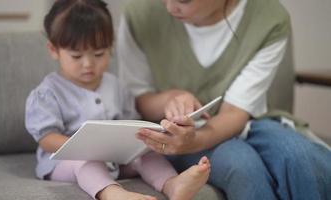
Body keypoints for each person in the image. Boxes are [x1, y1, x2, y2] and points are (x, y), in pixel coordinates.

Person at [117, 0, 331, 199]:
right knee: (243, 165)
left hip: (250, 122)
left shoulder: (269, 19)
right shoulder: (140, 13)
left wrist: (193, 140)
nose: (170, 8)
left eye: (184, 0)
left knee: (302, 158)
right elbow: (139, 99)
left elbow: (235, 113)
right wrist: (171, 98)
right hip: (171, 131)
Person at [25, 0, 211, 200]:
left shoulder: (116, 86)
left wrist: (140, 140)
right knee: (87, 163)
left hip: (115, 160)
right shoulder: (47, 93)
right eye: (76, 56)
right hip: (66, 163)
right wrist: (89, 147)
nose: (88, 64)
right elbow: (46, 139)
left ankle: (173, 184)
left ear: (110, 47)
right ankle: (112, 193)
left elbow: (131, 124)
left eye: (98, 54)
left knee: (147, 155)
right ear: (54, 50)